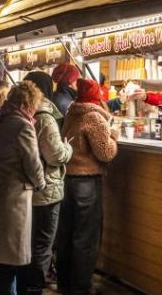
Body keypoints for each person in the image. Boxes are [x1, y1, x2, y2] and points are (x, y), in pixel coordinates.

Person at [0, 81, 46, 295]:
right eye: (34, 105)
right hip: (13, 201)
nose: (35, 109)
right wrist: (41, 184)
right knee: (9, 261)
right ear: (27, 103)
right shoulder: (23, 126)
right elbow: (33, 165)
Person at [57, 78, 118, 295]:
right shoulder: (93, 117)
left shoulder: (72, 113)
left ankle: (64, 282)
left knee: (66, 234)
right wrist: (114, 136)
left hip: (67, 180)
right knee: (85, 237)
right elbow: (106, 152)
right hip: (87, 183)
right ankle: (80, 287)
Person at [22, 72, 73, 295]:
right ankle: (34, 287)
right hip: (46, 189)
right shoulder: (45, 116)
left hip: (26, 188)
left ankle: (26, 284)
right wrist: (67, 146)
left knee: (30, 241)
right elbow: (55, 155)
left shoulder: (22, 112)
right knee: (42, 243)